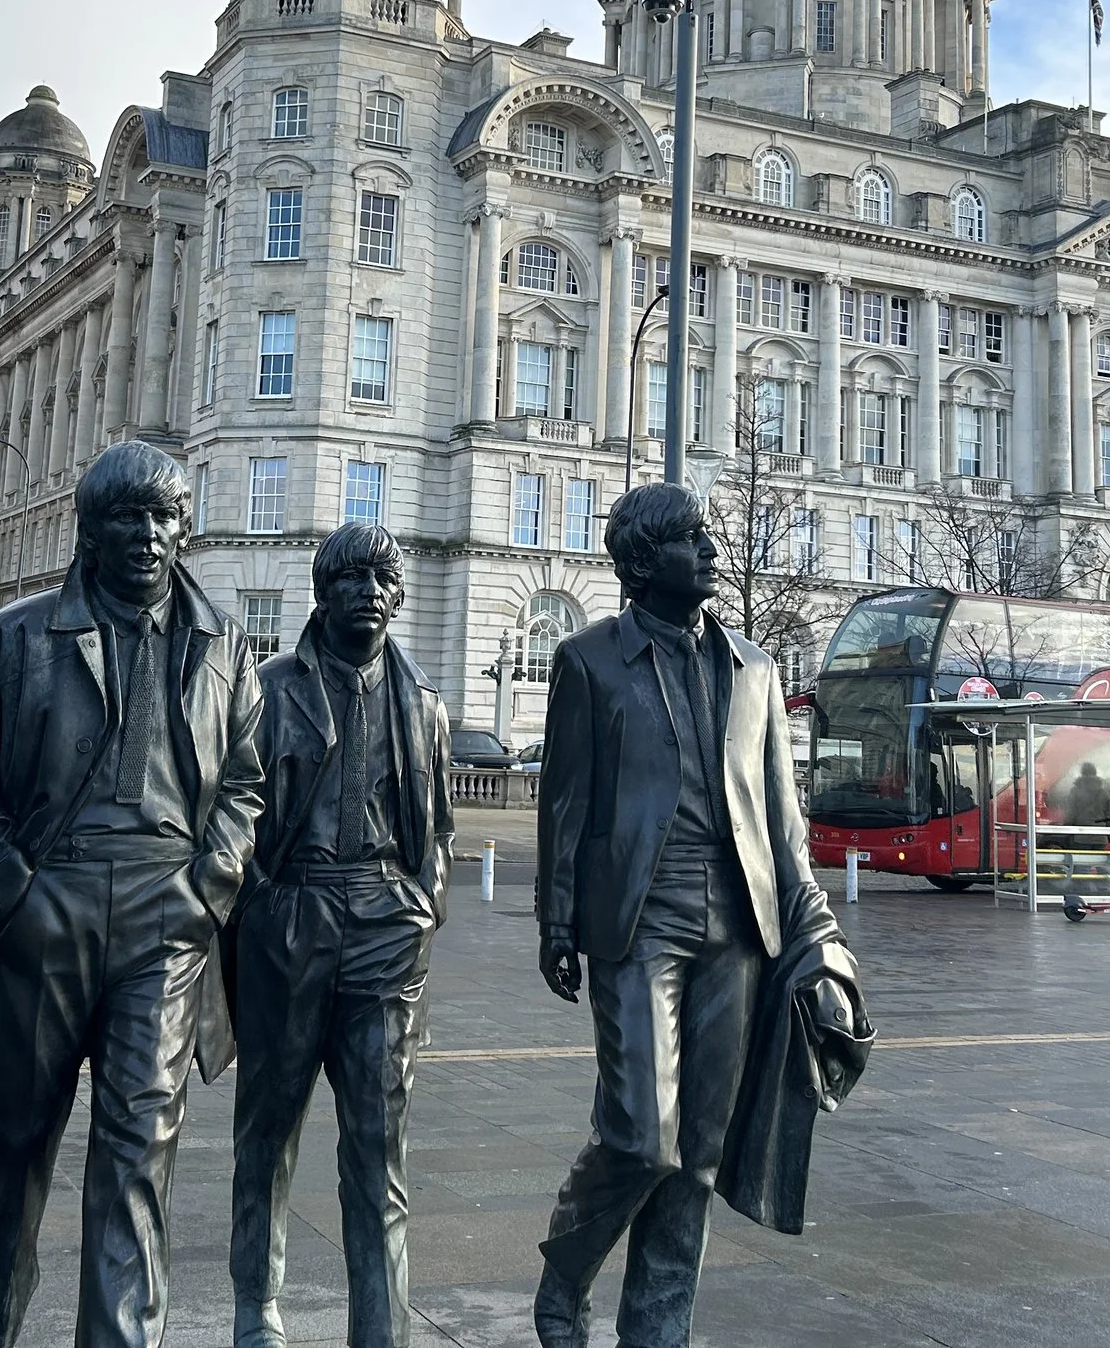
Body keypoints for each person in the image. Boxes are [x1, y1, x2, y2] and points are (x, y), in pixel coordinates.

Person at [0, 439, 264, 1348]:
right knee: (15, 1147)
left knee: (139, 1156)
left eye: (164, 517)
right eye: (126, 517)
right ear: (89, 529)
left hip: (167, 921)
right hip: (44, 911)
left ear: (187, 526)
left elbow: (245, 787)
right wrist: (6, 889)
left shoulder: (223, 642)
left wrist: (206, 889)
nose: (148, 535)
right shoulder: (16, 637)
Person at [532, 483, 862, 1348]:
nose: (711, 548)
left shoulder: (754, 668)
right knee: (642, 1132)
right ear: (643, 560)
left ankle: (657, 1333)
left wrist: (819, 941)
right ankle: (565, 1272)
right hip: (636, 920)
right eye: (691, 537)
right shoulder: (588, 660)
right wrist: (556, 922)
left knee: (697, 1159)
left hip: (739, 934)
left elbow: (783, 832)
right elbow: (564, 805)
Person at [228, 523, 454, 1348]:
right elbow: (235, 810)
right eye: (350, 575)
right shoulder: (270, 688)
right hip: (294, 916)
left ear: (399, 593)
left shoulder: (422, 700)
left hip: (386, 932)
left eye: (382, 576)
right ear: (322, 592)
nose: (368, 589)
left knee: (377, 1148)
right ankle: (257, 1300)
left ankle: (382, 1329)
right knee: (269, 1129)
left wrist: (420, 903)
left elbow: (440, 831)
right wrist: (263, 903)